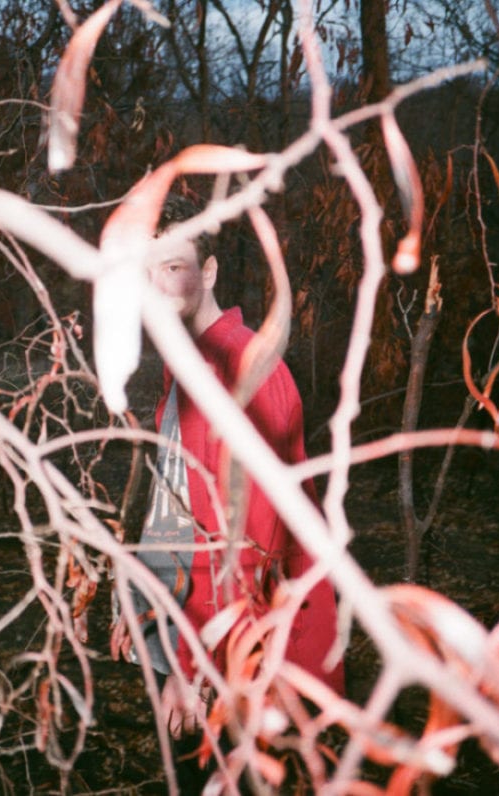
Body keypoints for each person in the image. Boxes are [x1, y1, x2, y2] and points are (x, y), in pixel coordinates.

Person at [110, 212, 345, 764]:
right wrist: (141, 604)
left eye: (173, 267)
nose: (156, 285)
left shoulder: (244, 368)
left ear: (210, 271)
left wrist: (195, 668)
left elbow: (247, 543)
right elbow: (177, 502)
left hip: (243, 653)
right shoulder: (186, 364)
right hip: (195, 631)